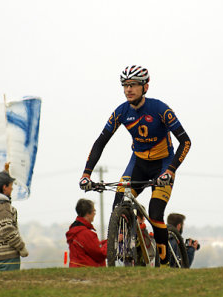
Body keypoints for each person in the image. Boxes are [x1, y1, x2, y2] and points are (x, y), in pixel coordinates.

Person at [79, 65, 191, 265]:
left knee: (155, 214)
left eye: (133, 85)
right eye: (125, 85)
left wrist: (171, 171)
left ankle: (164, 264)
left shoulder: (160, 108)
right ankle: (124, 247)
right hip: (138, 162)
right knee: (119, 201)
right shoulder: (121, 112)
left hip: (163, 164)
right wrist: (86, 174)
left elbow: (186, 142)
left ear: (145, 87)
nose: (128, 89)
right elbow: (100, 142)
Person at [0, 165, 29, 272]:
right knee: (11, 285)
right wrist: (21, 248)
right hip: (6, 256)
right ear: (4, 187)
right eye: (11, 185)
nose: (12, 188)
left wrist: (6, 172)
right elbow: (7, 230)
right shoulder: (3, 207)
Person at [66, 199, 107, 267]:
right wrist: (112, 243)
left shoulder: (75, 230)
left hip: (77, 268)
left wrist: (111, 241)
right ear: (88, 213)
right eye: (94, 211)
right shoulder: (85, 233)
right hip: (87, 271)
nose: (95, 213)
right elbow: (100, 254)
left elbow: (95, 246)